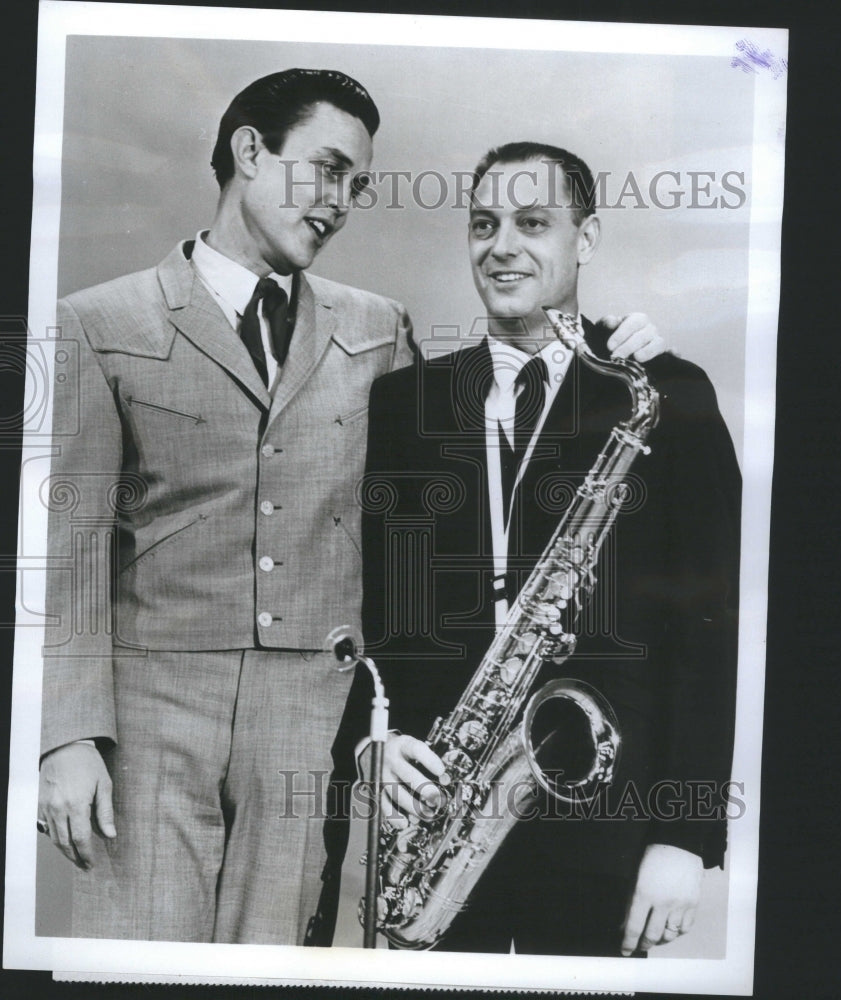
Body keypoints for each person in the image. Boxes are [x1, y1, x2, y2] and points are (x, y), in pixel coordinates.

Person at [37, 72, 664, 946]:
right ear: (250, 151)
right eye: (326, 170)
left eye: (357, 185)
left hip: (311, 725)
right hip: (149, 724)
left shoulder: (379, 327)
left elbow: (472, 468)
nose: (339, 204)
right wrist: (64, 737)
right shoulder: (97, 322)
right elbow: (68, 553)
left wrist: (605, 341)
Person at [332, 142, 741, 956]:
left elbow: (709, 629)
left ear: (584, 240)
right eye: (484, 224)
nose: (502, 245)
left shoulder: (663, 392)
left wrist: (686, 837)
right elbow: (370, 606)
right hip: (434, 820)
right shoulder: (405, 401)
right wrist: (373, 744)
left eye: (533, 222)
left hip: (604, 819)